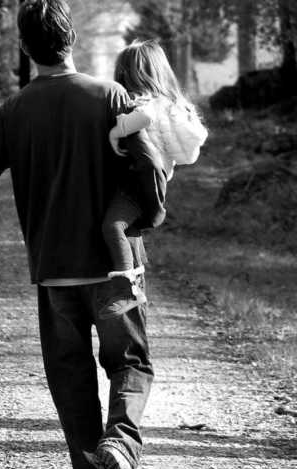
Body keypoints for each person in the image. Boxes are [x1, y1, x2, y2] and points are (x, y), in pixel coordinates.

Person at [0, 1, 167, 469]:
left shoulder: (12, 113)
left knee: (71, 381)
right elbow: (147, 163)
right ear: (70, 38)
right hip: (115, 270)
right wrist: (151, 212)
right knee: (130, 362)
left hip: (55, 275)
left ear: (26, 49)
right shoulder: (110, 96)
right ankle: (119, 446)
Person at [99, 40, 208, 320]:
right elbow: (188, 154)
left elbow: (144, 118)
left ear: (130, 74)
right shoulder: (171, 106)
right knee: (124, 231)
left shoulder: (142, 104)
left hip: (135, 184)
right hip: (155, 185)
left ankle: (127, 292)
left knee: (113, 226)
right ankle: (131, 285)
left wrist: (115, 131)